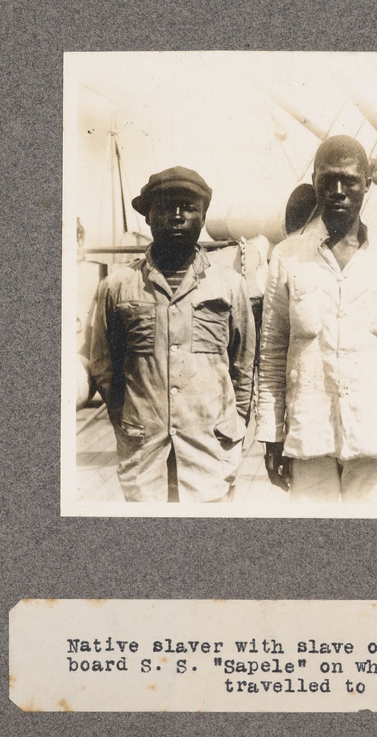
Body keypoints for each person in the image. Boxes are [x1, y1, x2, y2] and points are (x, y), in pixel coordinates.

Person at [256, 135, 377, 503]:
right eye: (328, 180)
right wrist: (272, 436)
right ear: (315, 183)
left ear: (367, 185)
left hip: (374, 437)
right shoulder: (287, 257)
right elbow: (271, 355)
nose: (338, 190)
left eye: (350, 180)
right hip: (309, 437)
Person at [90, 166, 256, 502]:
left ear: (204, 215)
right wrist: (127, 423)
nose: (177, 216)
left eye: (188, 207)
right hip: (144, 456)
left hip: (210, 455)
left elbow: (243, 366)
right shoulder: (117, 287)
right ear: (148, 218)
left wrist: (233, 426)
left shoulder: (230, 286)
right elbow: (105, 368)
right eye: (165, 207)